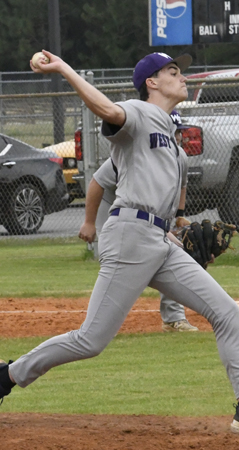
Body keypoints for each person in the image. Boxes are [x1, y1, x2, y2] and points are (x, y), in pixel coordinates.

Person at [0, 52, 239, 436]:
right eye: (172, 71)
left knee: (225, 311)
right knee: (90, 340)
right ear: (152, 83)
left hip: (159, 239)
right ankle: (5, 376)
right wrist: (62, 69)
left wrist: (178, 226)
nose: (182, 77)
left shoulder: (174, 146)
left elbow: (163, 193)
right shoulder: (137, 114)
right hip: (129, 235)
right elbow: (104, 109)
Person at [78, 110, 198, 332]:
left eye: (179, 132)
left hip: (149, 216)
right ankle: (96, 326)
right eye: (173, 131)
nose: (178, 137)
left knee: (171, 250)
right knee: (119, 263)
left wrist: (179, 216)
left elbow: (180, 187)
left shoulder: (179, 156)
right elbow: (97, 182)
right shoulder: (136, 151)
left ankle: (173, 319)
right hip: (115, 208)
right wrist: (89, 222)